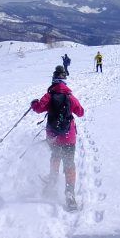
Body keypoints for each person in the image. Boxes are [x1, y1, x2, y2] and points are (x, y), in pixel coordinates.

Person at [31, 65, 86, 210]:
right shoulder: (70, 97)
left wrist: (34, 103)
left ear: (53, 80)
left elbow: (38, 108)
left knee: (55, 157)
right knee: (69, 163)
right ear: (65, 82)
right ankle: (70, 194)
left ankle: (52, 183)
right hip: (69, 136)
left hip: (53, 136)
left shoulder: (49, 96)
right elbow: (81, 112)